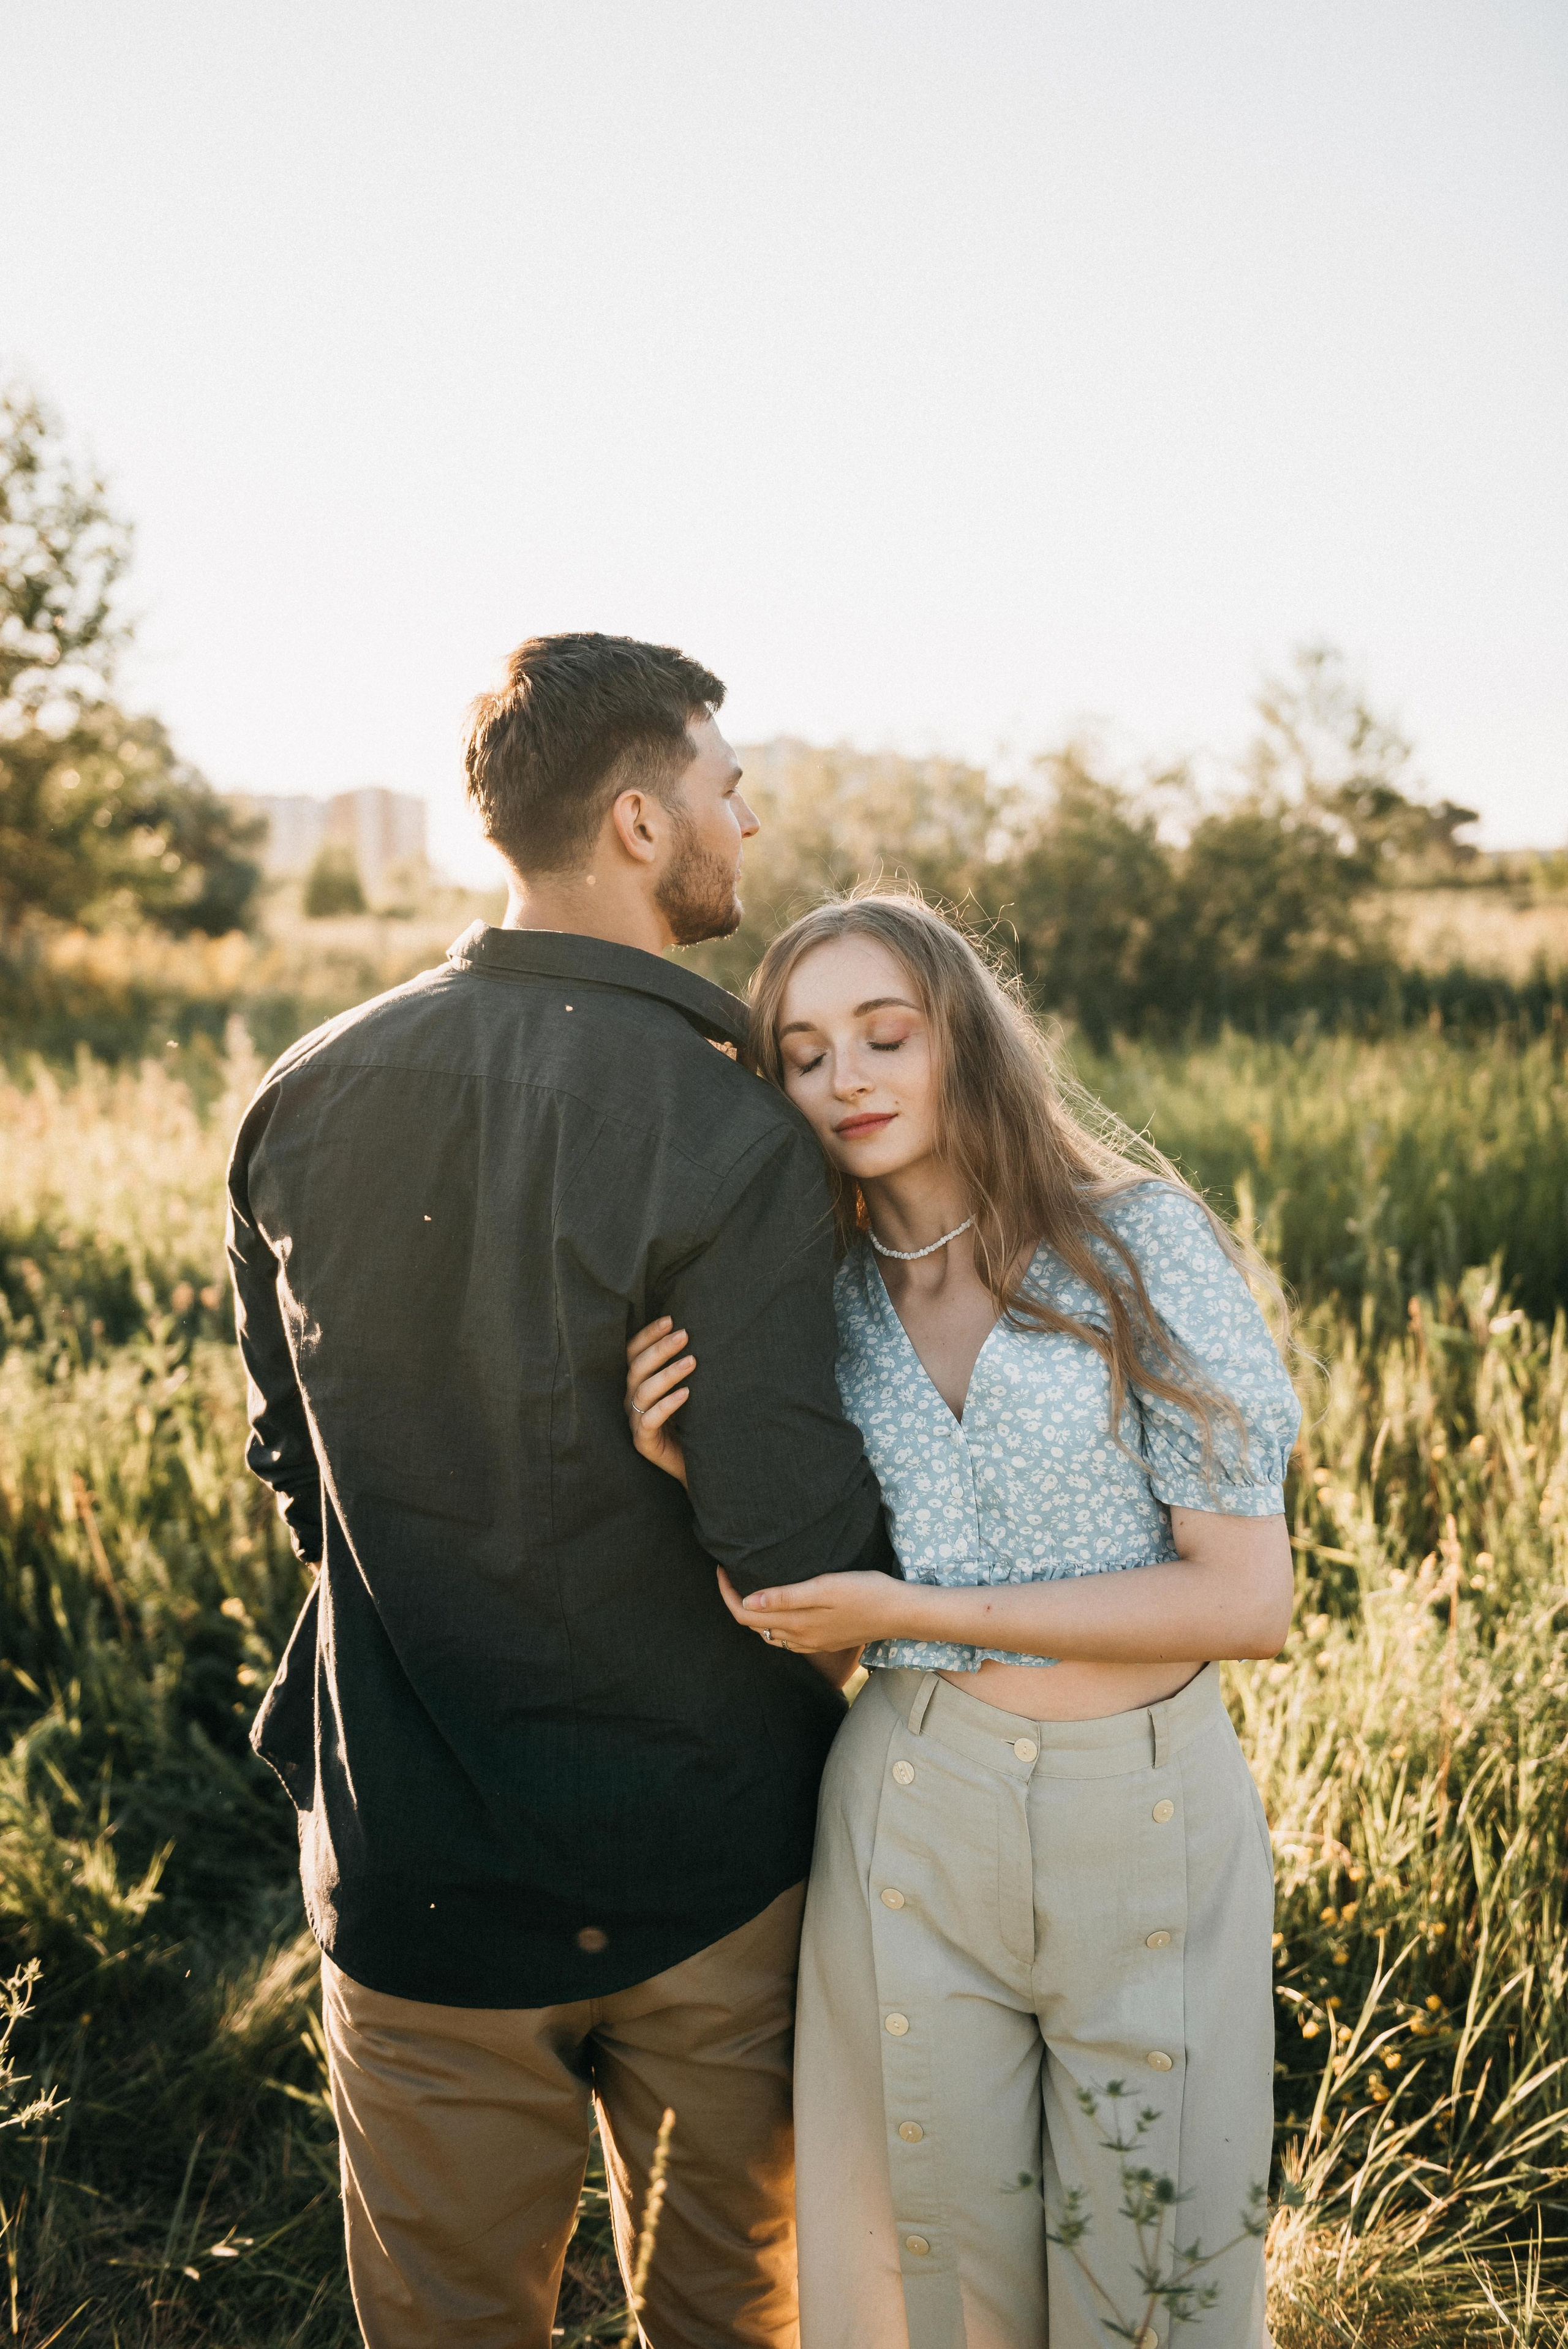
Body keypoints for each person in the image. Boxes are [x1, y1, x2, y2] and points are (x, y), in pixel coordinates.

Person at [227, 635, 895, 2349]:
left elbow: (295, 1473)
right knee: (729, 2319)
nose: (746, 820)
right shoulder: (742, 1131)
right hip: (712, 1869)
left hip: (420, 1863)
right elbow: (796, 1547)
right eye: (724, 790)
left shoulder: (299, 1094)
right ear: (635, 822)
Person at [625, 892, 1300, 2349]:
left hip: (1145, 1819)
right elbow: (811, 1620)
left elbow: (1248, 1600)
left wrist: (914, 1609)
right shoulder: (814, 1291)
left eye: (883, 1034)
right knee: (925, 2271)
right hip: (910, 1808)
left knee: (1156, 2270)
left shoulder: (1133, 1243)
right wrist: (704, 1471)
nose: (843, 1079)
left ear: (964, 1041)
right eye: (800, 1055)